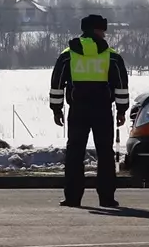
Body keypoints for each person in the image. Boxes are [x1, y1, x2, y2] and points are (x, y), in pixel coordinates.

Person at [49, 14, 130, 208]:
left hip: (77, 110)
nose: (104, 33)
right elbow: (121, 85)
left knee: (75, 153)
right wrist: (121, 110)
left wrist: (56, 109)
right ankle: (107, 198)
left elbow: (57, 83)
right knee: (105, 154)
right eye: (103, 29)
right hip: (102, 111)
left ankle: (72, 198)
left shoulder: (68, 55)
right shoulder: (112, 56)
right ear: (97, 30)